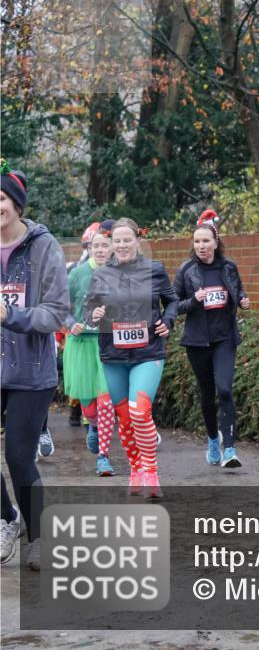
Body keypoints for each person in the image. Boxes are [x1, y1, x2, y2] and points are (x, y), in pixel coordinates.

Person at [0, 158, 71, 568]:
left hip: (30, 372)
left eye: (3, 198)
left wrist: (12, 315)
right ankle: (8, 518)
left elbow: (56, 312)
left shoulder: (44, 247)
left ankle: (40, 536)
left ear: (17, 203)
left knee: (19, 456)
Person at [86, 218, 177, 498]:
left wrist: (168, 320)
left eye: (127, 240)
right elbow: (88, 310)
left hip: (147, 351)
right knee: (124, 419)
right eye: (117, 240)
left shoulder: (154, 270)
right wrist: (94, 315)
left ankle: (150, 469)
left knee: (140, 412)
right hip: (113, 355)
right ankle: (136, 467)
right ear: (111, 243)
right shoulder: (101, 274)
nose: (122, 245)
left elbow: (171, 301)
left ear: (138, 240)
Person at [174, 209, 250, 468]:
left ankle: (229, 449)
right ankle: (211, 440)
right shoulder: (186, 270)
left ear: (216, 243)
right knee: (207, 395)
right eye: (197, 242)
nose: (201, 246)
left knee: (225, 390)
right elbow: (174, 305)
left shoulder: (228, 267)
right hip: (197, 341)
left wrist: (242, 300)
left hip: (225, 338)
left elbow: (237, 289)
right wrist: (193, 301)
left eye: (206, 241)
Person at [64, 226, 117, 475]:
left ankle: (103, 457)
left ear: (113, 248)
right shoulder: (77, 274)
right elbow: (60, 306)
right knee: (90, 407)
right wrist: (69, 323)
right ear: (89, 248)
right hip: (81, 344)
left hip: (108, 343)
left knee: (106, 402)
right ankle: (93, 426)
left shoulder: (121, 274)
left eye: (105, 245)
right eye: (96, 246)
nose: (101, 250)